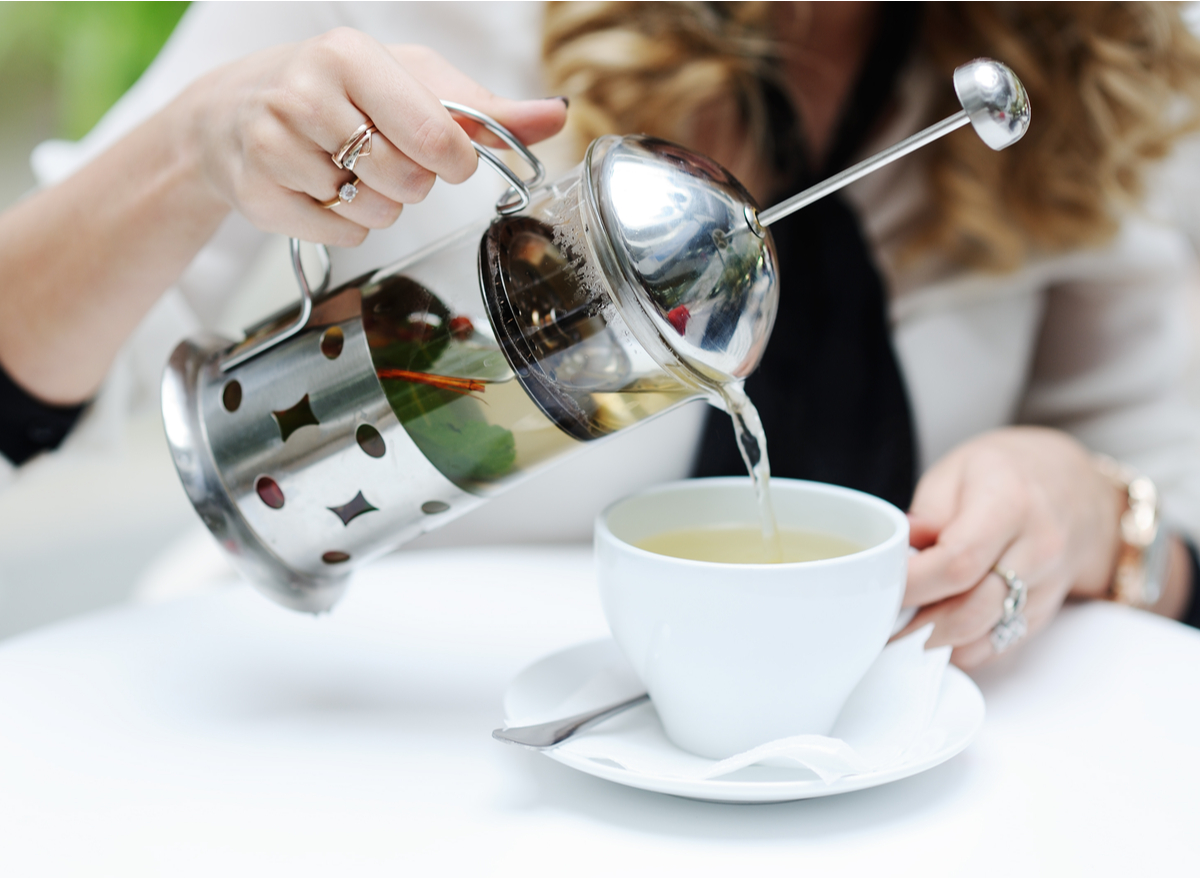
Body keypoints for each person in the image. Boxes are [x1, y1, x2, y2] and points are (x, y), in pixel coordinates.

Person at [1, 1, 1197, 666]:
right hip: (339, 743)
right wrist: (193, 148)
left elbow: (1172, 493)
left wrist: (1099, 511)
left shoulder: (1076, 72)